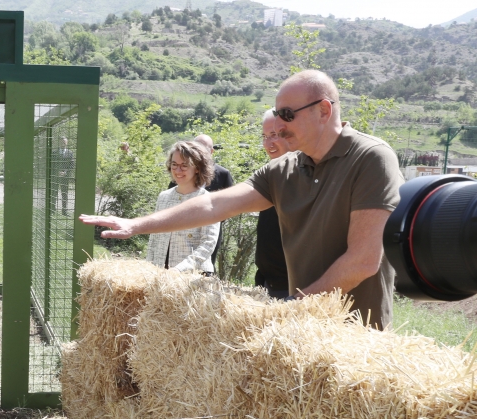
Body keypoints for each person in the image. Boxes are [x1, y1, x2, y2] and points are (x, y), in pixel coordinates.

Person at [81, 69, 402, 330]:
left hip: (356, 335)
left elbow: (362, 260)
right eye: (277, 114)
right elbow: (213, 204)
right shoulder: (285, 168)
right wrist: (136, 225)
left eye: (287, 115)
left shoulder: (371, 158)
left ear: (324, 110)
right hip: (302, 330)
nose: (278, 125)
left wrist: (292, 307)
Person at [145, 141, 219, 274]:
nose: (178, 170)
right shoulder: (163, 197)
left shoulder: (209, 201)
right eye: (174, 164)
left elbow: (208, 243)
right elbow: (154, 238)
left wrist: (179, 269)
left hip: (195, 275)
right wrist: (148, 268)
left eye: (184, 165)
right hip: (161, 273)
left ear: (197, 168)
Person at [166, 134, 234, 272]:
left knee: (203, 266)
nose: (199, 150)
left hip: (208, 230)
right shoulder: (180, 173)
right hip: (178, 235)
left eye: (203, 148)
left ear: (212, 151)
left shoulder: (223, 174)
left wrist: (211, 218)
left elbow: (230, 205)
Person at [255, 110, 291, 299]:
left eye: (274, 135)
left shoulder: (307, 177)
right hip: (267, 283)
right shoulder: (270, 174)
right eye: (264, 136)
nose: (268, 144)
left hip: (296, 290)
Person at [53, 136, 75, 213]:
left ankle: (64, 211)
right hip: (55, 177)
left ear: (66, 143)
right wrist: (57, 172)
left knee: (64, 194)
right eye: (61, 142)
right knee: (54, 193)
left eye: (64, 142)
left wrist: (65, 172)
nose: (63, 143)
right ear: (59, 142)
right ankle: (52, 209)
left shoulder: (70, 153)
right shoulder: (54, 153)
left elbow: (72, 165)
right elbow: (52, 164)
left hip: (65, 177)